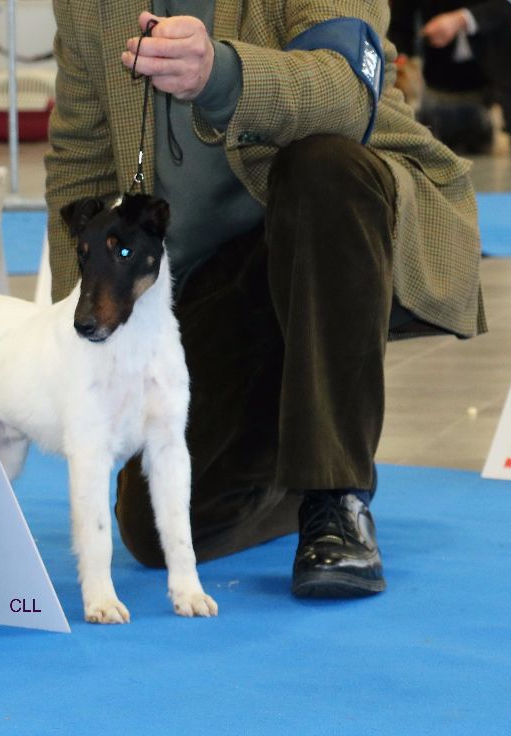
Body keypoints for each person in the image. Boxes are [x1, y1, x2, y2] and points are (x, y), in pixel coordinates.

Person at [44, 0, 486, 598]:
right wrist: (79, 337)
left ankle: (336, 496)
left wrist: (219, 74)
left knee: (323, 169)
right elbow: (81, 163)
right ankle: (296, 463)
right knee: (156, 532)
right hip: (203, 281)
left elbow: (349, 89)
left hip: (330, 225)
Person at [390, 0, 511, 149]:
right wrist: (401, 56)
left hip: (501, 71)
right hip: (441, 81)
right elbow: (400, 23)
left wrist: (463, 18)